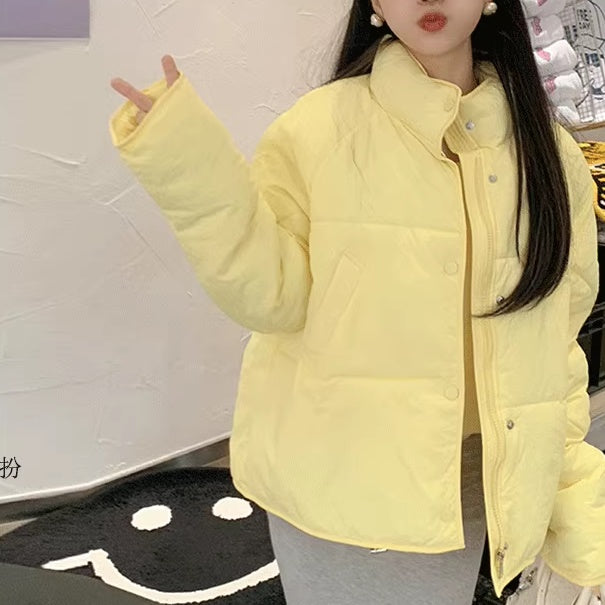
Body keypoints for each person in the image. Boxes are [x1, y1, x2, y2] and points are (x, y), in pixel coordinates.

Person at [109, 0, 605, 602]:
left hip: (473, 479)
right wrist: (189, 164)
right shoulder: (318, 130)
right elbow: (270, 297)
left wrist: (573, 489)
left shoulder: (548, 154)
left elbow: (556, 339)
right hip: (338, 476)